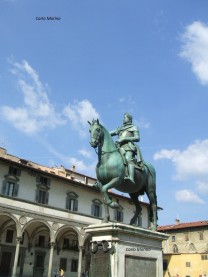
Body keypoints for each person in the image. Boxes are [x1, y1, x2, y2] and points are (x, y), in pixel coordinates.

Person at [110, 113, 143, 184]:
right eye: (123, 117)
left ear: (129, 119)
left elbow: (137, 138)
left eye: (125, 117)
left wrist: (124, 138)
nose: (123, 119)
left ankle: (131, 177)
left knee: (128, 159)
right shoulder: (120, 128)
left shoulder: (134, 127)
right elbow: (109, 133)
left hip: (128, 147)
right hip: (118, 147)